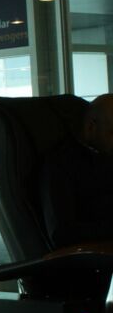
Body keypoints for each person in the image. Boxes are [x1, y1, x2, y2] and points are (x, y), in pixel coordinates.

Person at [40, 94, 113, 251]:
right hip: (93, 257)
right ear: (91, 127)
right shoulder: (61, 165)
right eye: (111, 132)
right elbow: (62, 233)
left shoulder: (106, 154)